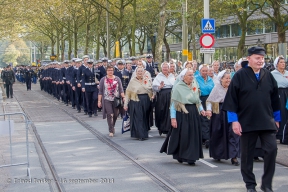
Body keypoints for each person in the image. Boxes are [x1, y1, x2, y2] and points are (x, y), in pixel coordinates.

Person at [223, 47, 280, 192]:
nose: (261, 61)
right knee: (247, 156)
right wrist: (234, 121)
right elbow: (231, 100)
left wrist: (277, 119)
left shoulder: (268, 75)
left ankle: (267, 185)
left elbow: (275, 99)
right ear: (249, 59)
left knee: (272, 149)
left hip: (267, 121)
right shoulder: (239, 76)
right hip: (246, 122)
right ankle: (250, 185)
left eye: (262, 58)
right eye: (257, 58)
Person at [160, 68, 205, 165]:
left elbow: (197, 100)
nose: (191, 77)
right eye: (189, 75)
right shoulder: (178, 87)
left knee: (193, 135)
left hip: (193, 113)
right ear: (183, 77)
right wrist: (173, 118)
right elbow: (173, 104)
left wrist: (202, 110)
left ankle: (191, 157)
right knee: (183, 135)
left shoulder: (194, 85)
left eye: (192, 75)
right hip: (182, 113)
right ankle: (180, 155)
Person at [206, 70, 240, 165]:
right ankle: (218, 154)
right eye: (226, 78)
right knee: (219, 134)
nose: (228, 80)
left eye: (229, 78)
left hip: (232, 112)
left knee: (233, 134)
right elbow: (210, 101)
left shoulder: (233, 88)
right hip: (219, 113)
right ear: (221, 79)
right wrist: (209, 110)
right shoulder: (217, 88)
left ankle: (234, 156)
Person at [124, 67, 154, 140]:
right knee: (139, 117)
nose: (140, 73)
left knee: (145, 117)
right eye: (138, 71)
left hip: (146, 100)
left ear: (143, 72)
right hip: (135, 100)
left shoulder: (147, 80)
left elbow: (151, 89)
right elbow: (128, 93)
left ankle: (144, 133)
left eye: (141, 71)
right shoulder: (132, 81)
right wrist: (125, 104)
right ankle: (140, 134)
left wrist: (152, 96)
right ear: (136, 72)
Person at [98, 65, 125, 137]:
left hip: (116, 99)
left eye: (111, 70)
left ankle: (112, 126)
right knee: (110, 114)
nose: (110, 72)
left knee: (115, 114)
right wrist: (99, 101)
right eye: (109, 70)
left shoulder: (117, 79)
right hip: (107, 99)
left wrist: (123, 97)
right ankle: (111, 130)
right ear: (106, 71)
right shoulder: (103, 80)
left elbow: (121, 89)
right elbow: (100, 91)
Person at [153, 62, 175, 135]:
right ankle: (162, 127)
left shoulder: (172, 76)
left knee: (170, 111)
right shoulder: (158, 76)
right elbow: (154, 87)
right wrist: (159, 87)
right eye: (164, 67)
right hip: (162, 95)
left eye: (166, 67)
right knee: (162, 111)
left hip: (171, 95)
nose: (165, 69)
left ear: (168, 68)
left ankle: (169, 128)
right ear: (161, 68)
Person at [195, 64, 215, 148]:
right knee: (202, 118)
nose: (205, 72)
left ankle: (208, 137)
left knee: (209, 118)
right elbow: (195, 88)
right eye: (203, 71)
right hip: (200, 99)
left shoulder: (210, 80)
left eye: (206, 71)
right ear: (200, 71)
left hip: (209, 99)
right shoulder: (196, 79)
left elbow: (213, 89)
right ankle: (205, 138)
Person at [271, 55, 288, 145]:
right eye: (281, 62)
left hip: (287, 93)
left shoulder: (286, 73)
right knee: (281, 113)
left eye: (284, 62)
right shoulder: (273, 73)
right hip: (279, 93)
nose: (283, 64)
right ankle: (281, 134)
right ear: (277, 64)